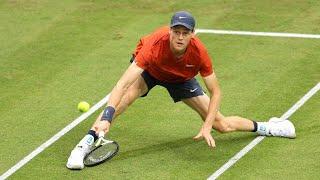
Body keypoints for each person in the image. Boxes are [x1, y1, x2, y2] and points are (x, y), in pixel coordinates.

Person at [66, 11, 296, 169]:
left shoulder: (199, 53)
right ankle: (85, 143)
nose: (180, 36)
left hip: (181, 79)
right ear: (169, 31)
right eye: (176, 31)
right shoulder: (153, 46)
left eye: (185, 33)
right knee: (123, 100)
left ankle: (270, 126)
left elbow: (216, 92)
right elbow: (122, 83)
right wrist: (107, 116)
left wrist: (207, 126)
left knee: (222, 125)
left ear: (192, 34)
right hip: (152, 70)